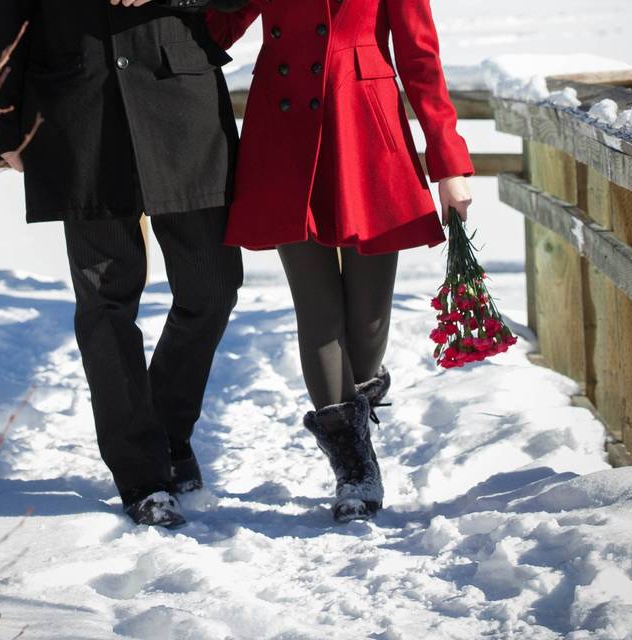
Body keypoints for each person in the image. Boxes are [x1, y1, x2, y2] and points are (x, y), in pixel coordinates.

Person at [205, 0, 474, 522]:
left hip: (366, 131)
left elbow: (420, 57)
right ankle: (354, 467)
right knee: (318, 310)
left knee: (368, 316)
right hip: (283, 131)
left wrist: (448, 161)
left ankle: (359, 409)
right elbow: (217, 30)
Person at [0, 0, 248, 529]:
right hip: (77, 106)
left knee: (213, 286)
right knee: (104, 300)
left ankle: (169, 433)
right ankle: (141, 473)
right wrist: (4, 118)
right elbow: (6, 15)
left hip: (183, 102)